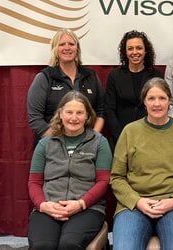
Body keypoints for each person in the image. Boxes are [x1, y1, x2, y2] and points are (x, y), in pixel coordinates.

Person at [110, 77, 173, 250]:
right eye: (151, 98)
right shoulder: (130, 131)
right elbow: (117, 177)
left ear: (170, 101)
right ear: (144, 102)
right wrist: (138, 201)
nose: (157, 104)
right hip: (134, 205)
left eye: (162, 98)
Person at [27, 91, 112, 249]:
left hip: (87, 208)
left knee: (69, 244)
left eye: (80, 112)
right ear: (60, 113)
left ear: (87, 116)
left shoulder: (100, 142)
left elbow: (103, 181)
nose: (74, 118)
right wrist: (43, 205)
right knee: (42, 245)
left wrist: (81, 203)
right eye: (69, 112)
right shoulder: (45, 143)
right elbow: (34, 182)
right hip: (49, 206)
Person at [27, 29, 105, 146]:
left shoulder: (91, 76)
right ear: (55, 49)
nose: (67, 48)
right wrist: (63, 143)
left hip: (87, 146)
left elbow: (101, 111)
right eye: (62, 44)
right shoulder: (44, 78)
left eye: (71, 44)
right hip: (53, 145)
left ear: (77, 49)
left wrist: (92, 139)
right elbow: (35, 118)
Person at [105, 30, 163, 147]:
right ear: (125, 52)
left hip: (150, 137)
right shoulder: (115, 76)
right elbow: (109, 109)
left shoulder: (156, 76)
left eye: (139, 48)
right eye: (130, 48)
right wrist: (121, 136)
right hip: (121, 137)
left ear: (146, 50)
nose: (135, 52)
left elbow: (161, 107)